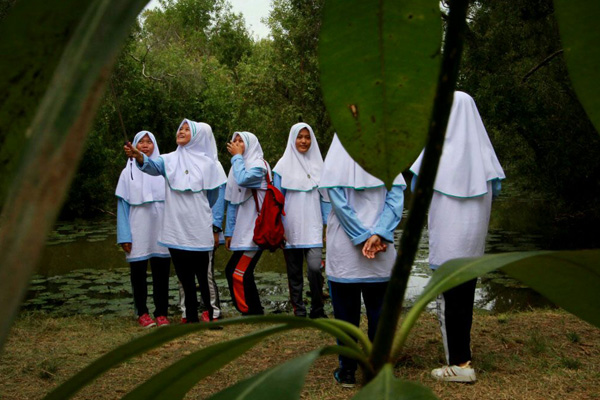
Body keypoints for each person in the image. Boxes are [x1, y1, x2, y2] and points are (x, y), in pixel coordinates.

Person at [410, 91, 505, 383]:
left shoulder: (435, 151)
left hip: (447, 242)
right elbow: (497, 188)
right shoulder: (484, 153)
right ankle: (463, 354)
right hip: (471, 243)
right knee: (464, 295)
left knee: (448, 299)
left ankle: (460, 364)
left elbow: (416, 186)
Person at [319, 134, 406, 388]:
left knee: (346, 314)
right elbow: (395, 200)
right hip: (381, 247)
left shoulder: (336, 159)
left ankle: (347, 370)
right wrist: (378, 233)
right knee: (379, 312)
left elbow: (339, 205)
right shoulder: (387, 158)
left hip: (347, 248)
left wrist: (362, 236)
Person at [124, 119, 227, 323]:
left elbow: (214, 195)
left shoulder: (209, 164)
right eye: (181, 128)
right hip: (175, 227)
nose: (182, 131)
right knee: (184, 276)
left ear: (196, 136)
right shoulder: (167, 160)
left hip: (199, 226)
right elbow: (151, 166)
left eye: (187, 129)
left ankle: (211, 314)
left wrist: (198, 209)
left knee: (202, 276)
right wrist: (139, 157)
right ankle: (190, 317)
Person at [272, 122, 330, 319]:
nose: (304, 141)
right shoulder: (281, 167)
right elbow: (276, 201)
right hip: (291, 227)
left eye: (307, 137)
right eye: (300, 137)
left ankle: (317, 309)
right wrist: (279, 228)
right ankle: (299, 310)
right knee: (294, 272)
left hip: (313, 226)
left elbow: (326, 199)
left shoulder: (320, 167)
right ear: (292, 139)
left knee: (315, 268)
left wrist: (326, 227)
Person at [116, 131, 171, 328]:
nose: (145, 145)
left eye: (149, 142)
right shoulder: (126, 172)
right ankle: (142, 312)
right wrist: (124, 235)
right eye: (141, 142)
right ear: (134, 146)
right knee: (138, 272)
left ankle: (162, 312)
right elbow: (122, 205)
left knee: (161, 272)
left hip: (160, 225)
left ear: (155, 145)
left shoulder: (162, 170)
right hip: (137, 225)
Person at [223, 131, 270, 316]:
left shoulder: (259, 166)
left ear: (250, 144)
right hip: (242, 232)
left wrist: (236, 158)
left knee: (237, 272)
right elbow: (232, 202)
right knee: (238, 271)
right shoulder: (237, 167)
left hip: (255, 232)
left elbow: (244, 179)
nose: (236, 143)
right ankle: (253, 311)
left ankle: (250, 311)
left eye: (241, 140)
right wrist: (229, 232)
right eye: (235, 140)